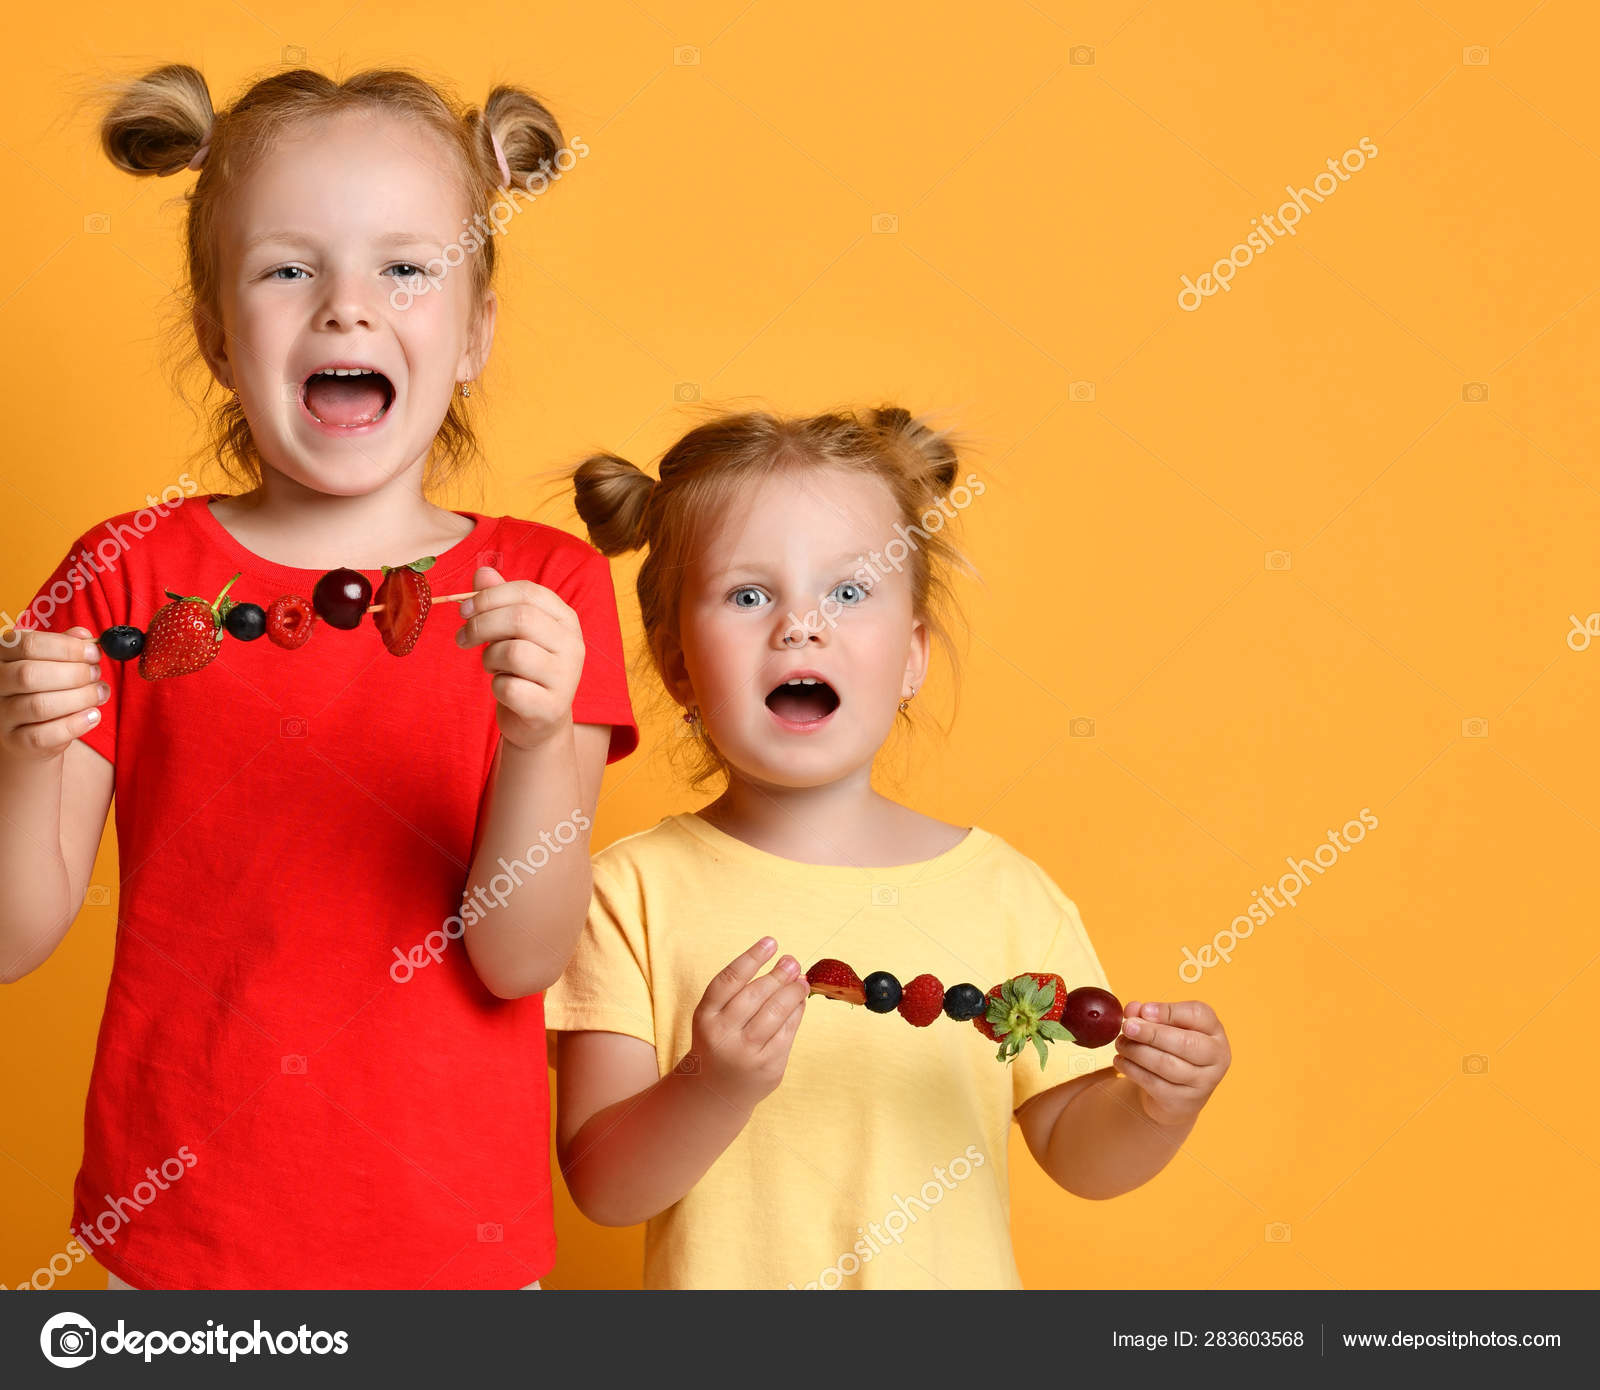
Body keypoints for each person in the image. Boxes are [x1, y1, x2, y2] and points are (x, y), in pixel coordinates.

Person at [0, 63, 636, 1290]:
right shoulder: (128, 571)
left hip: (460, 1248)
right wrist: (29, 753)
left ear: (474, 333)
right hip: (182, 1243)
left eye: (405, 268)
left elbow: (518, 957)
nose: (347, 311)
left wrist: (534, 736)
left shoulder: (542, 591)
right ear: (215, 335)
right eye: (290, 268)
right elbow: (17, 936)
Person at [544, 405, 1231, 1288]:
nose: (801, 626)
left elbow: (1079, 1155)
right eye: (749, 595)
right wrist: (711, 1085)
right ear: (678, 666)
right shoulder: (627, 893)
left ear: (911, 657)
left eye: (849, 591)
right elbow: (603, 1186)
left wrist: (1158, 1103)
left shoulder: (1007, 896)